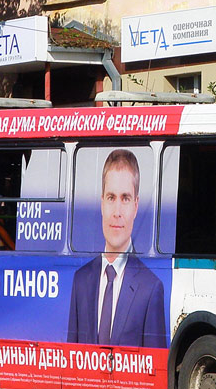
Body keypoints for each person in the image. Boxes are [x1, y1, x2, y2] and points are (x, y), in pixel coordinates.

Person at [68, 149, 168, 348]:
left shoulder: (151, 288)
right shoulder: (81, 280)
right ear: (102, 203)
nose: (117, 212)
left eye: (125, 198)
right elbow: (73, 363)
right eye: (111, 198)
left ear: (136, 206)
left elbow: (154, 371)